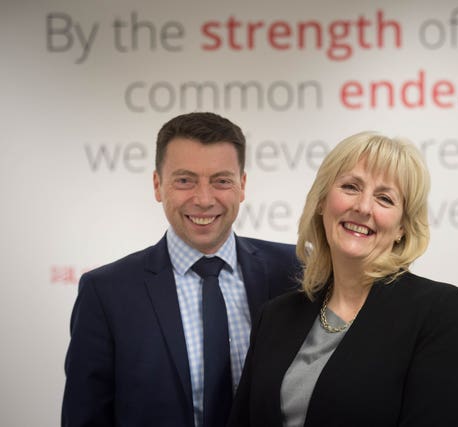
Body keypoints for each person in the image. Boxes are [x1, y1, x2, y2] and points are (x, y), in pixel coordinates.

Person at [62, 112, 300, 427]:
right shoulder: (106, 293)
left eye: (221, 181)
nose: (203, 199)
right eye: (185, 180)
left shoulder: (295, 271)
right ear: (158, 185)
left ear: (242, 186)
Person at [228, 131, 458, 426]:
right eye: (350, 187)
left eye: (384, 199)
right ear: (322, 202)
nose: (362, 207)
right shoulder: (275, 316)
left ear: (402, 227)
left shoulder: (439, 312)